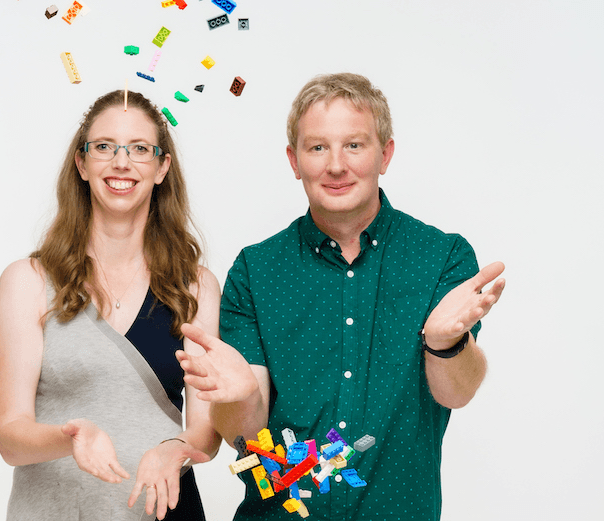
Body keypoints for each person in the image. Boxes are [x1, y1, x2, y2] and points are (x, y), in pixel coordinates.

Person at [176, 73, 506, 520]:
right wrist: (239, 398)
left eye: (354, 145)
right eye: (317, 147)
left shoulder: (441, 257)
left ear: (385, 154)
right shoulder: (256, 270)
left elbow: (456, 394)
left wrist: (445, 343)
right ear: (294, 160)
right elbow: (247, 436)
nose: (336, 165)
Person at [0, 89, 221, 521]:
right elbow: (11, 438)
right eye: (104, 147)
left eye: (140, 149)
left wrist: (175, 447)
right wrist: (69, 437)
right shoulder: (28, 282)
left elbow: (206, 429)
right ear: (82, 163)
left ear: (162, 167)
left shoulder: (196, 287)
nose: (121, 162)